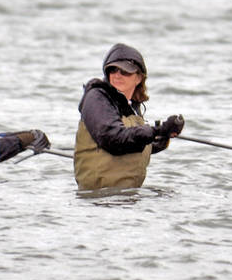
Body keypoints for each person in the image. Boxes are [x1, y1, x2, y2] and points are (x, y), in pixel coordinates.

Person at [73, 44, 182, 192]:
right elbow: (113, 138)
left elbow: (131, 146)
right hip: (99, 200)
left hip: (126, 197)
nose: (117, 75)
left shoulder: (132, 108)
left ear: (138, 78)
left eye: (125, 71)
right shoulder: (97, 98)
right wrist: (155, 131)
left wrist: (161, 138)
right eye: (113, 70)